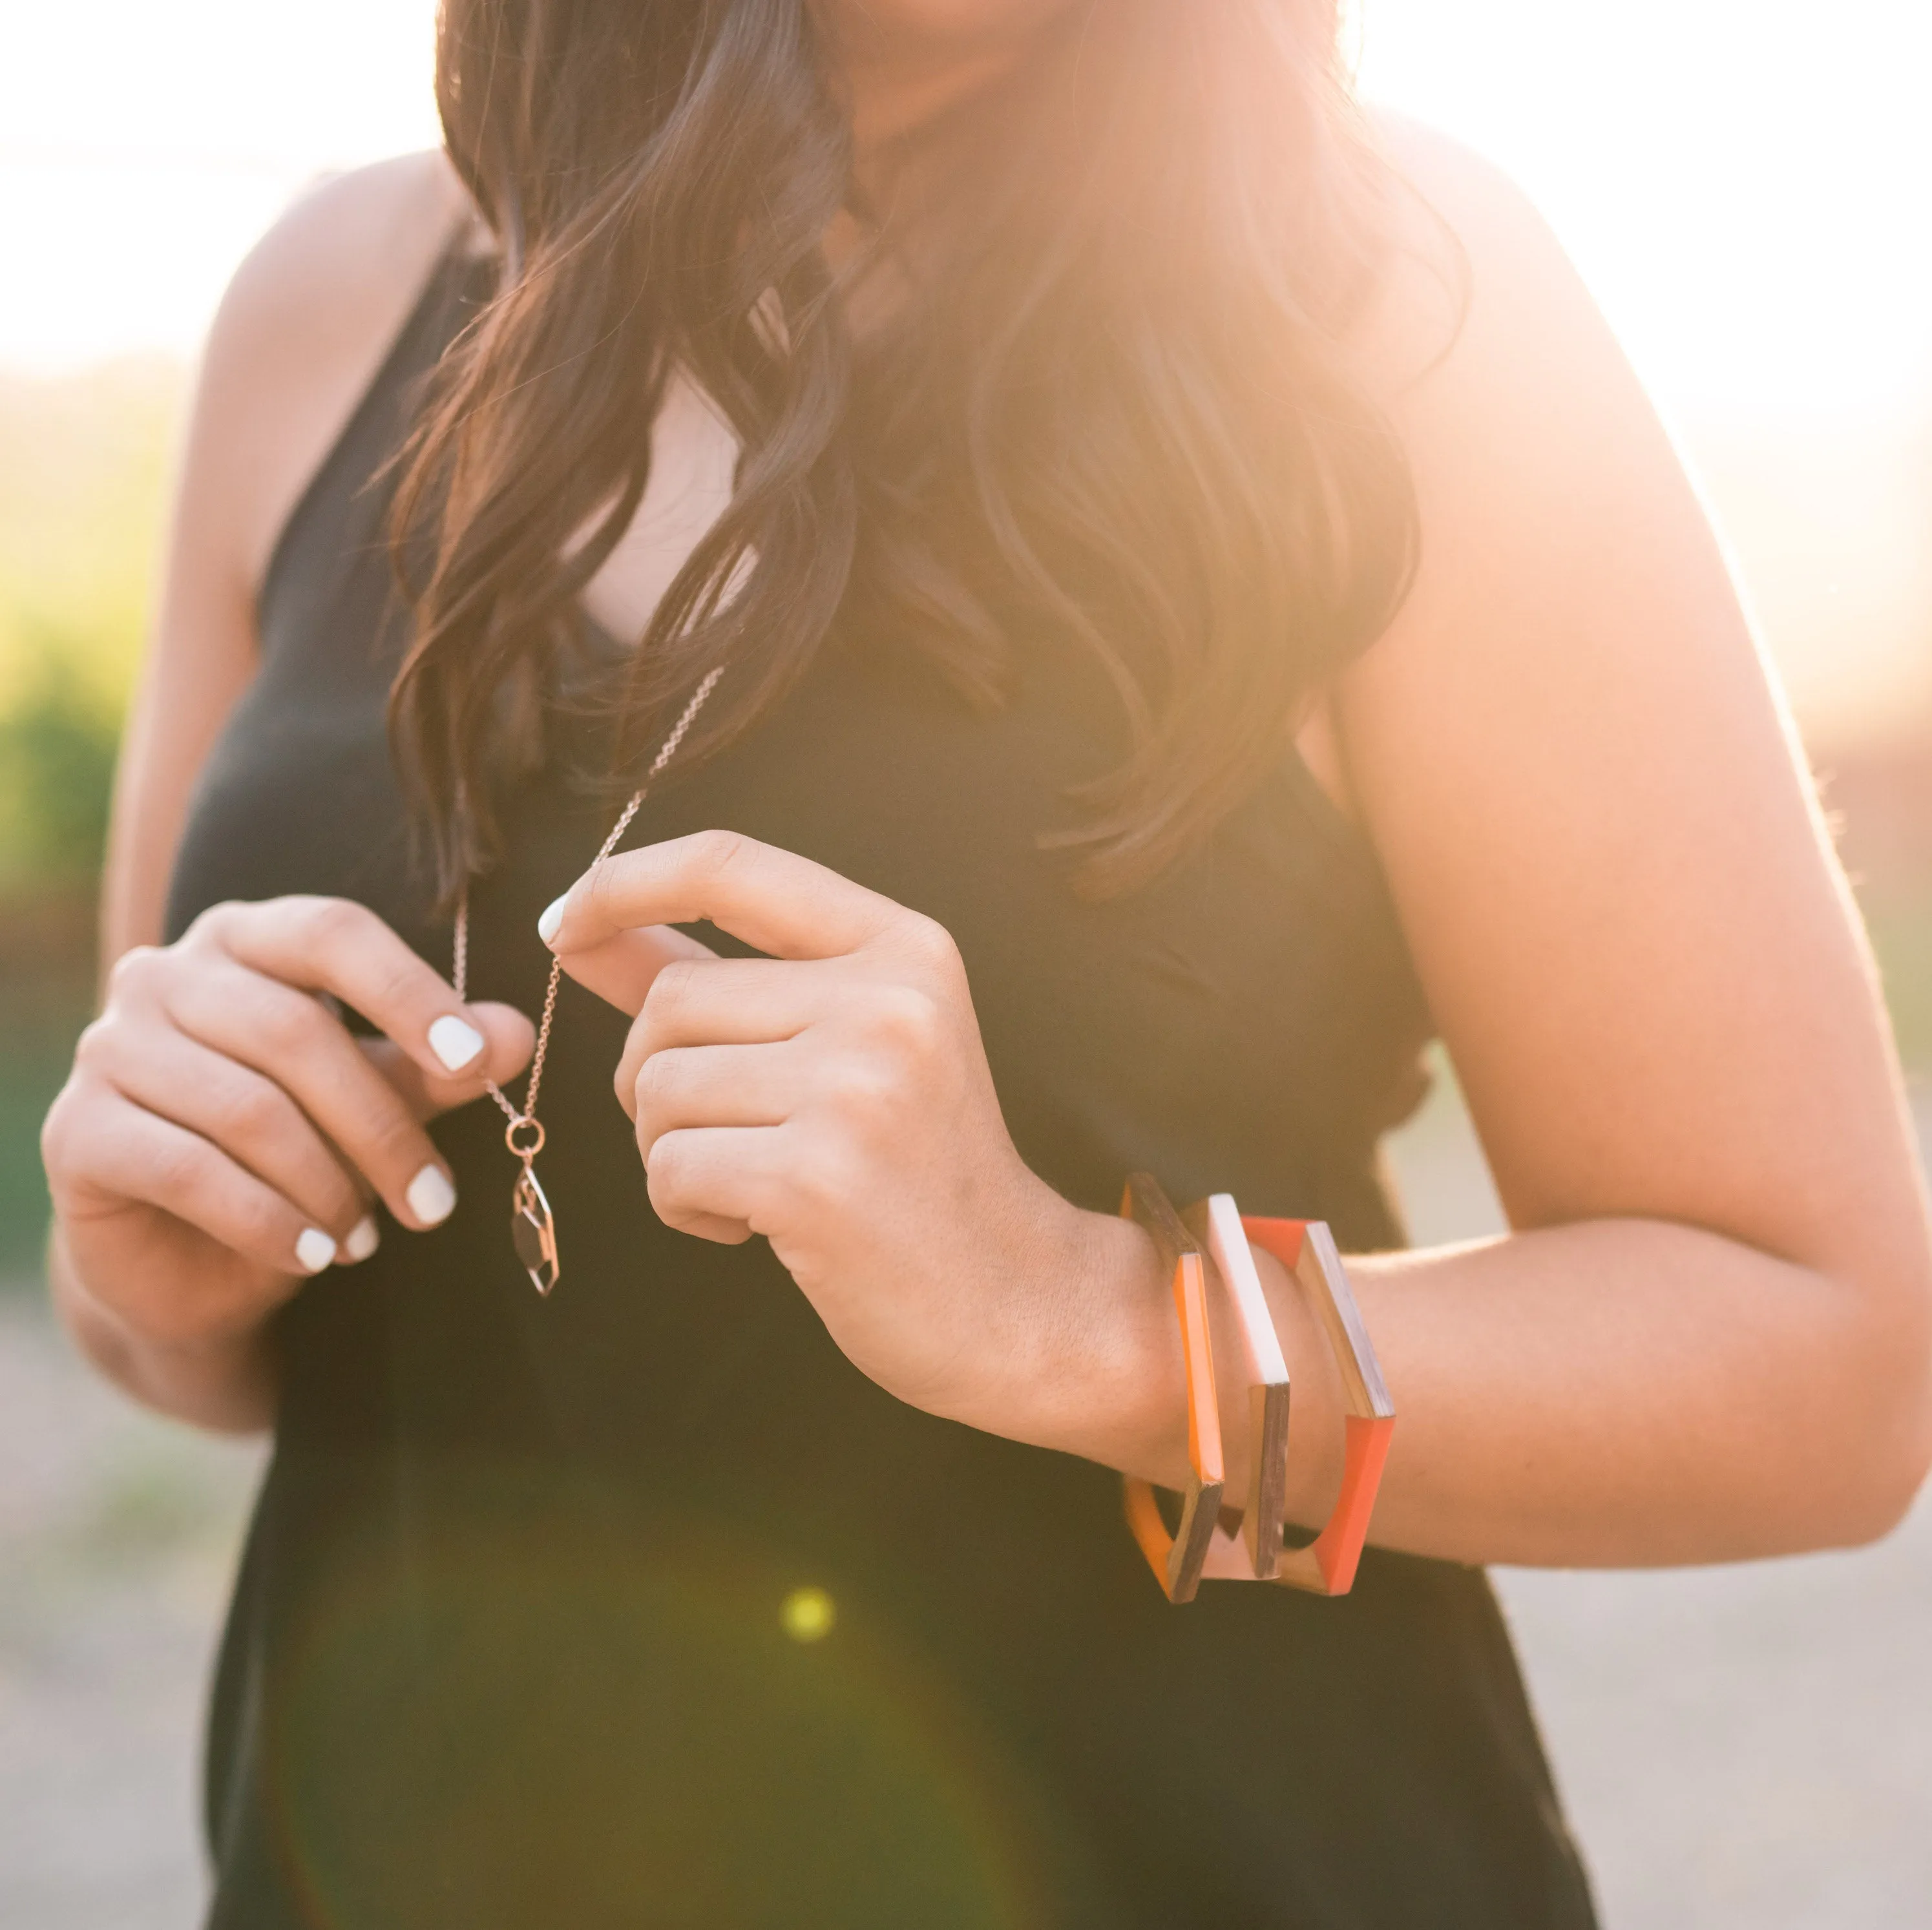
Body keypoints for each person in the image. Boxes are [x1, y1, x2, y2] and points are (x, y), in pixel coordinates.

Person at [39, 2, 1932, 1924]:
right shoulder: (327, 302)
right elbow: (204, 1338)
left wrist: (1083, 1320)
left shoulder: (1390, 300)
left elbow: (1820, 1361)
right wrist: (165, 1274)